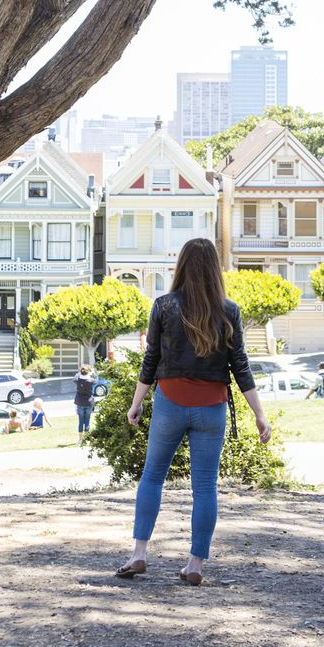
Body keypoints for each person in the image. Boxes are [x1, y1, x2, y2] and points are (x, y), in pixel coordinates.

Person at [116, 237, 271, 586]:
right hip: (212, 409)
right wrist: (259, 414)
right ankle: (195, 564)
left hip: (170, 402)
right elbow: (240, 367)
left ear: (182, 265)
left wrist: (136, 402)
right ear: (215, 269)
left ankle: (139, 554)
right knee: (204, 487)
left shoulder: (164, 306)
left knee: (153, 477)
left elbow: (151, 359)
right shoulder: (228, 310)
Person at [74, 363, 97, 440]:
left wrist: (80, 371)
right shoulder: (90, 380)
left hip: (80, 402)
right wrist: (93, 371)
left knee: (81, 421)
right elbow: (96, 379)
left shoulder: (77, 379)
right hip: (89, 402)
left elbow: (75, 377)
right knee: (87, 420)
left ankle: (80, 439)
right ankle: (86, 439)